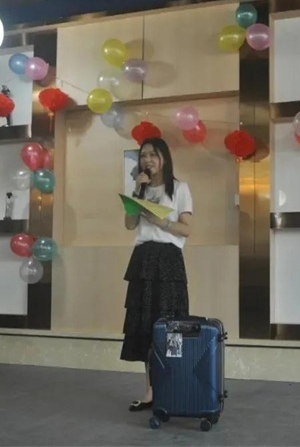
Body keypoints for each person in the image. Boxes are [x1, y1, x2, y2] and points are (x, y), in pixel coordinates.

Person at [121, 137, 193, 411]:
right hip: (143, 259)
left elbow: (187, 229)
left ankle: (173, 386)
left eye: (153, 154)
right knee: (145, 325)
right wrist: (136, 190)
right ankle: (151, 391)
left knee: (170, 324)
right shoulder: (140, 189)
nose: (147, 160)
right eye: (143, 155)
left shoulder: (180, 188)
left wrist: (160, 221)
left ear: (164, 157)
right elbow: (129, 225)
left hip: (168, 259)